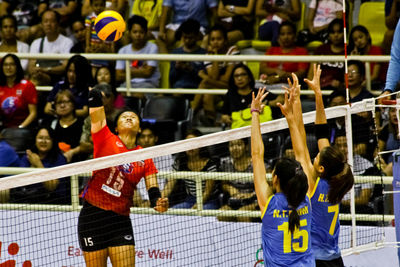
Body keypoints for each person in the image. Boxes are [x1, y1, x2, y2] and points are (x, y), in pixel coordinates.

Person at [77, 86, 168, 267]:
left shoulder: (144, 156)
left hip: (120, 220)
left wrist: (157, 201)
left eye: (133, 117)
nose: (128, 117)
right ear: (117, 128)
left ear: (139, 128)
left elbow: (152, 187)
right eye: (124, 117)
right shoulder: (105, 138)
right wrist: (93, 93)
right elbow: (96, 113)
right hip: (93, 216)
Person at [279, 65, 354, 266]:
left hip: (317, 261)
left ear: (321, 168)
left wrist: (292, 112)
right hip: (335, 259)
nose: (315, 156)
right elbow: (321, 131)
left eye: (317, 157)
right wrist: (318, 94)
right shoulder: (337, 176)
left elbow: (300, 144)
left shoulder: (313, 184)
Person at [251, 87, 314, 266]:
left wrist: (255, 113)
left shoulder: (269, 204)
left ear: (275, 179)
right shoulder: (307, 199)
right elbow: (302, 154)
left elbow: (257, 154)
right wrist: (290, 117)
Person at [193, 24, 240, 126]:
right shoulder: (209, 54)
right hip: (218, 89)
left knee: (204, 83)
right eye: (213, 39)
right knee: (207, 95)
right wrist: (216, 57)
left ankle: (191, 113)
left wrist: (205, 77)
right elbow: (214, 77)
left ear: (225, 40)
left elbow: (227, 79)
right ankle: (213, 123)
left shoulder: (233, 51)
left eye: (219, 39)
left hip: (234, 87)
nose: (215, 42)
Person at [15, 126, 69, 204]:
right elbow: (20, 181)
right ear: (35, 140)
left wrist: (38, 164)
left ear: (53, 141)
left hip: (53, 202)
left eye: (47, 138)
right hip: (29, 200)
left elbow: (51, 187)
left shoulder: (59, 159)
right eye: (40, 138)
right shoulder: (28, 156)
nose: (43, 141)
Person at [170, 128, 220, 209]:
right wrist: (159, 199)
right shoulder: (180, 163)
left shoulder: (210, 164)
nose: (190, 147)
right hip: (190, 200)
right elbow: (169, 185)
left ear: (200, 145)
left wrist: (197, 206)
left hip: (209, 200)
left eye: (194, 143)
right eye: (188, 143)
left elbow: (208, 191)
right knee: (172, 212)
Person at [221, 63, 279, 129]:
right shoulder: (231, 94)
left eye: (243, 74)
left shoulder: (258, 92)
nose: (239, 78)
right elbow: (224, 114)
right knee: (236, 139)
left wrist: (266, 103)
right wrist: (225, 118)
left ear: (249, 77)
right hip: (240, 131)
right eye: (236, 76)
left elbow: (281, 99)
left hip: (260, 129)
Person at [116, 15, 161, 97]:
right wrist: (141, 70)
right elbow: (118, 76)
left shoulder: (152, 48)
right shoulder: (123, 51)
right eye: (135, 32)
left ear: (146, 33)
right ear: (129, 33)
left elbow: (148, 73)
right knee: (119, 98)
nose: (138, 35)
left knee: (137, 96)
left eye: (141, 32)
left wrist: (128, 71)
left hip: (148, 84)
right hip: (128, 84)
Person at [28, 9, 74, 86]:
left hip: (58, 80)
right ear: (41, 24)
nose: (48, 24)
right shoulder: (36, 43)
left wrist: (45, 70)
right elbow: (31, 67)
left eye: (52, 21)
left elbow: (65, 67)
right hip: (38, 77)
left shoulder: (67, 42)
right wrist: (38, 71)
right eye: (45, 21)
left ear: (58, 23)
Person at [219, 138, 258, 222]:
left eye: (239, 145)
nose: (235, 148)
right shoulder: (226, 163)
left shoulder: (256, 164)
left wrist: (252, 194)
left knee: (242, 214)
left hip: (254, 201)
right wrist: (230, 189)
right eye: (231, 145)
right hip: (234, 200)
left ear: (246, 147)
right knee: (222, 214)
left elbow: (270, 185)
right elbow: (223, 184)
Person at [135, 123, 174, 207]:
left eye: (150, 136)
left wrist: (157, 201)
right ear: (138, 139)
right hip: (138, 204)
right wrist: (139, 202)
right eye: (142, 137)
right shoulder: (131, 157)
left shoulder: (165, 155)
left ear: (156, 138)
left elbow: (171, 182)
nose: (146, 140)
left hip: (161, 202)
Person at [79, 83, 122, 160]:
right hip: (94, 159)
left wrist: (96, 142)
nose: (104, 100)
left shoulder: (123, 117)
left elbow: (126, 143)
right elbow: (83, 146)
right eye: (100, 97)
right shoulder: (89, 119)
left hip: (119, 158)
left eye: (107, 96)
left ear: (113, 98)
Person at [259, 21, 309, 86]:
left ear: (295, 35)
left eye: (289, 33)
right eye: (282, 34)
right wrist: (276, 71)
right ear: (279, 36)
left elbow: (301, 73)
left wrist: (280, 77)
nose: (286, 37)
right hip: (268, 82)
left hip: (290, 85)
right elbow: (262, 68)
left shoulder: (302, 51)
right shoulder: (271, 50)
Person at [44, 55, 93, 119]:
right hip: (57, 120)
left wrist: (65, 113)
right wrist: (59, 113)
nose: (71, 75)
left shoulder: (87, 89)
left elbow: (84, 111)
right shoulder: (59, 85)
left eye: (75, 72)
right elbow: (47, 109)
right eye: (69, 71)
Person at [0, 53, 37, 129]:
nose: (8, 67)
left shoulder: (28, 85)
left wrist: (20, 127)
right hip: (4, 127)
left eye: (12, 64)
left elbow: (33, 113)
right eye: (5, 65)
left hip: (23, 128)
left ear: (17, 66)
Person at [169, 19, 206, 94]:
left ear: (197, 36)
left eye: (190, 38)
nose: (187, 40)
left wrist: (191, 69)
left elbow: (205, 79)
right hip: (179, 88)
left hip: (197, 89)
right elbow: (171, 79)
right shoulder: (176, 53)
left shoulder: (204, 54)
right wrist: (177, 68)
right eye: (185, 37)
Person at [50, 90, 84, 163]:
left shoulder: (82, 124)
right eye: (59, 103)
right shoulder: (52, 123)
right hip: (55, 161)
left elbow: (87, 145)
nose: (62, 106)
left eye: (66, 102)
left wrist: (72, 152)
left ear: (73, 104)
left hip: (78, 161)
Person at [348, 25, 387, 90]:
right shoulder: (357, 54)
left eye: (361, 37)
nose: (359, 41)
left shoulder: (376, 50)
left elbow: (375, 76)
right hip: (365, 84)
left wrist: (363, 84)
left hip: (380, 84)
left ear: (367, 36)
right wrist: (354, 59)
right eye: (355, 40)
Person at [311, 19, 345, 91]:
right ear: (329, 34)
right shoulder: (320, 49)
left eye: (339, 32)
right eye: (333, 32)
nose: (336, 35)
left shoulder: (349, 51)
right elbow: (311, 74)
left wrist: (341, 85)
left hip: (340, 91)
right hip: (320, 89)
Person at [85, 0, 115, 70]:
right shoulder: (89, 18)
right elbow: (88, 32)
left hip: (105, 46)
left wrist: (109, 47)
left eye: (101, 5)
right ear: (91, 6)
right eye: (96, 5)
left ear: (105, 5)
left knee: (105, 67)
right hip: (94, 46)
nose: (99, 8)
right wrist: (87, 46)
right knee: (94, 66)